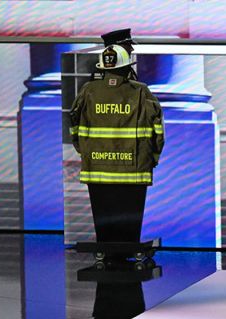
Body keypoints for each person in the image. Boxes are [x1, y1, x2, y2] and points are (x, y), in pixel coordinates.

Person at [68, 28, 164, 258]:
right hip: (134, 170)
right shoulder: (141, 91)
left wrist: (85, 150)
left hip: (97, 169)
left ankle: (104, 251)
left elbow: (73, 122)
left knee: (103, 219)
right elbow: (157, 131)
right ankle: (129, 251)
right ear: (125, 64)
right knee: (130, 221)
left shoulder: (88, 90)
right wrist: (153, 159)